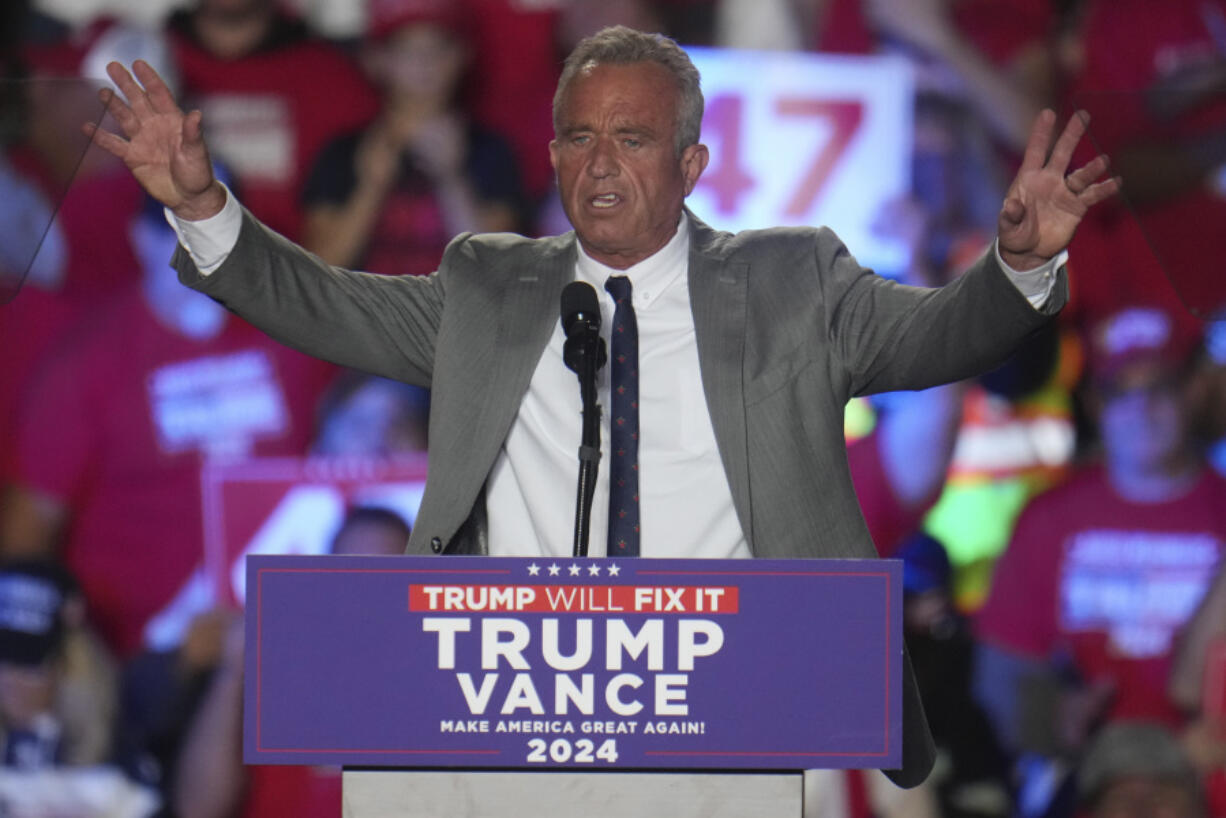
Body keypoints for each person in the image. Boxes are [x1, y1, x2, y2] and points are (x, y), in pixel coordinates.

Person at [87, 26, 1119, 787]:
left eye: (630, 138)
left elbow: (938, 335)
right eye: (577, 137)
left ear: (690, 165)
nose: (599, 164)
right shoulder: (488, 284)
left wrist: (1016, 266)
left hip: (720, 708)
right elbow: (322, 305)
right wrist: (201, 208)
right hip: (507, 707)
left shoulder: (792, 280)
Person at [974, 306, 1226, 812]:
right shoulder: (1048, 518)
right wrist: (1053, 720)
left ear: (1192, 391)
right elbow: (1000, 670)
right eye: (1120, 393)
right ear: (1094, 403)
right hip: (1086, 768)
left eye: (1160, 386)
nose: (1143, 409)